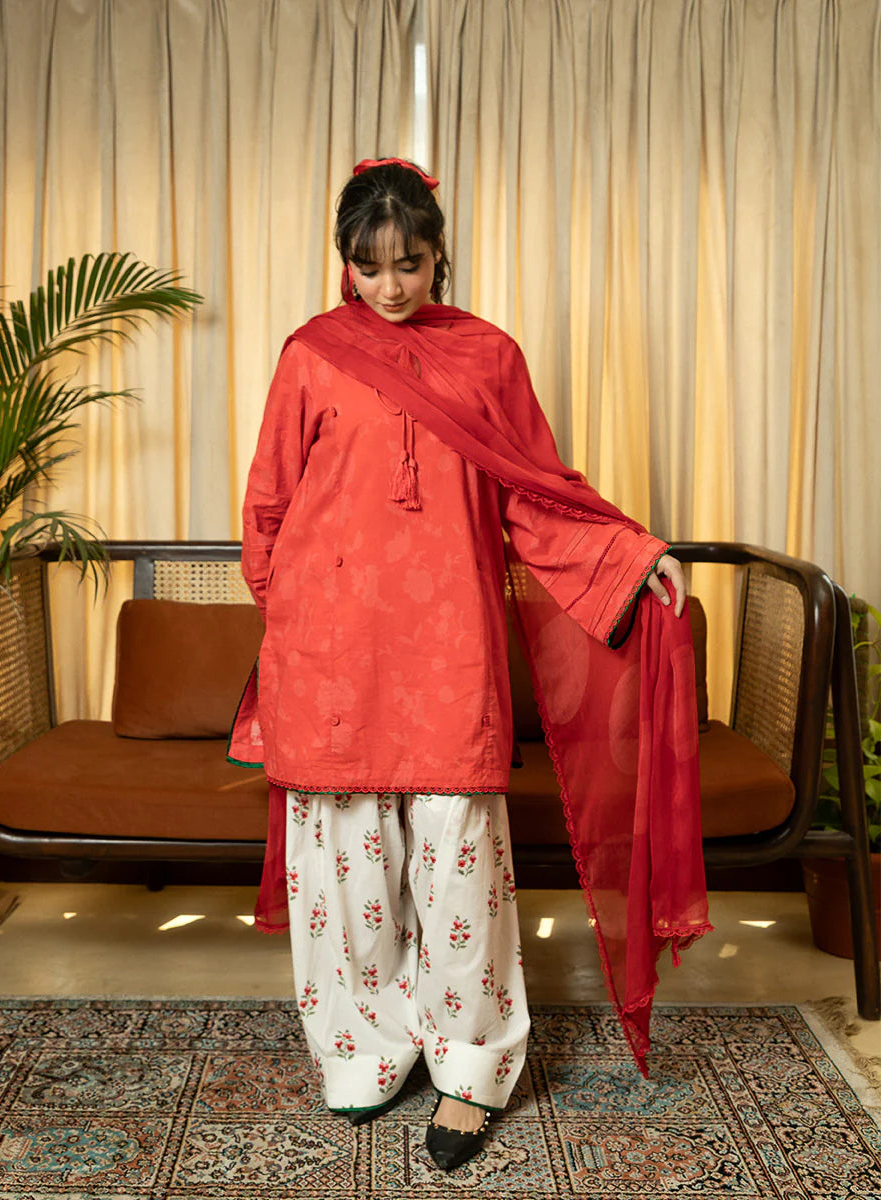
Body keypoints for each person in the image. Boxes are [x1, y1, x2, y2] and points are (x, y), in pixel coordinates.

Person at [229, 157, 710, 1172]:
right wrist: (301, 623)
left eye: (408, 263)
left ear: (439, 254)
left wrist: (632, 555)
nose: (389, 286)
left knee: (458, 863)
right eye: (369, 266)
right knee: (348, 859)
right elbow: (267, 507)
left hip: (449, 643)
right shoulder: (311, 354)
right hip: (329, 647)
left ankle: (471, 1068)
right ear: (344, 262)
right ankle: (364, 1053)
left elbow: (535, 494)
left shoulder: (487, 357)